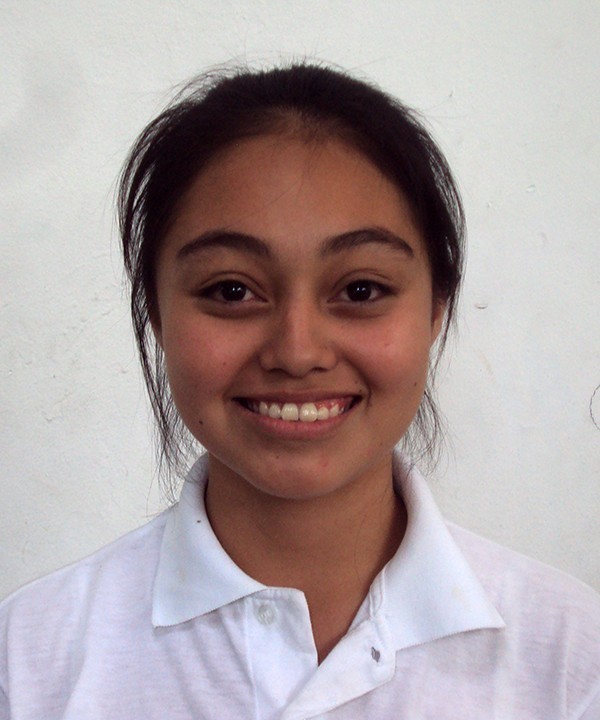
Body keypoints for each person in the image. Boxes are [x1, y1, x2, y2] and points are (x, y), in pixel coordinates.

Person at [1, 62, 599, 719]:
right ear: (156, 315)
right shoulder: (29, 664)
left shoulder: (572, 663)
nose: (297, 352)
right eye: (232, 290)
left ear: (436, 310)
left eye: (360, 290)